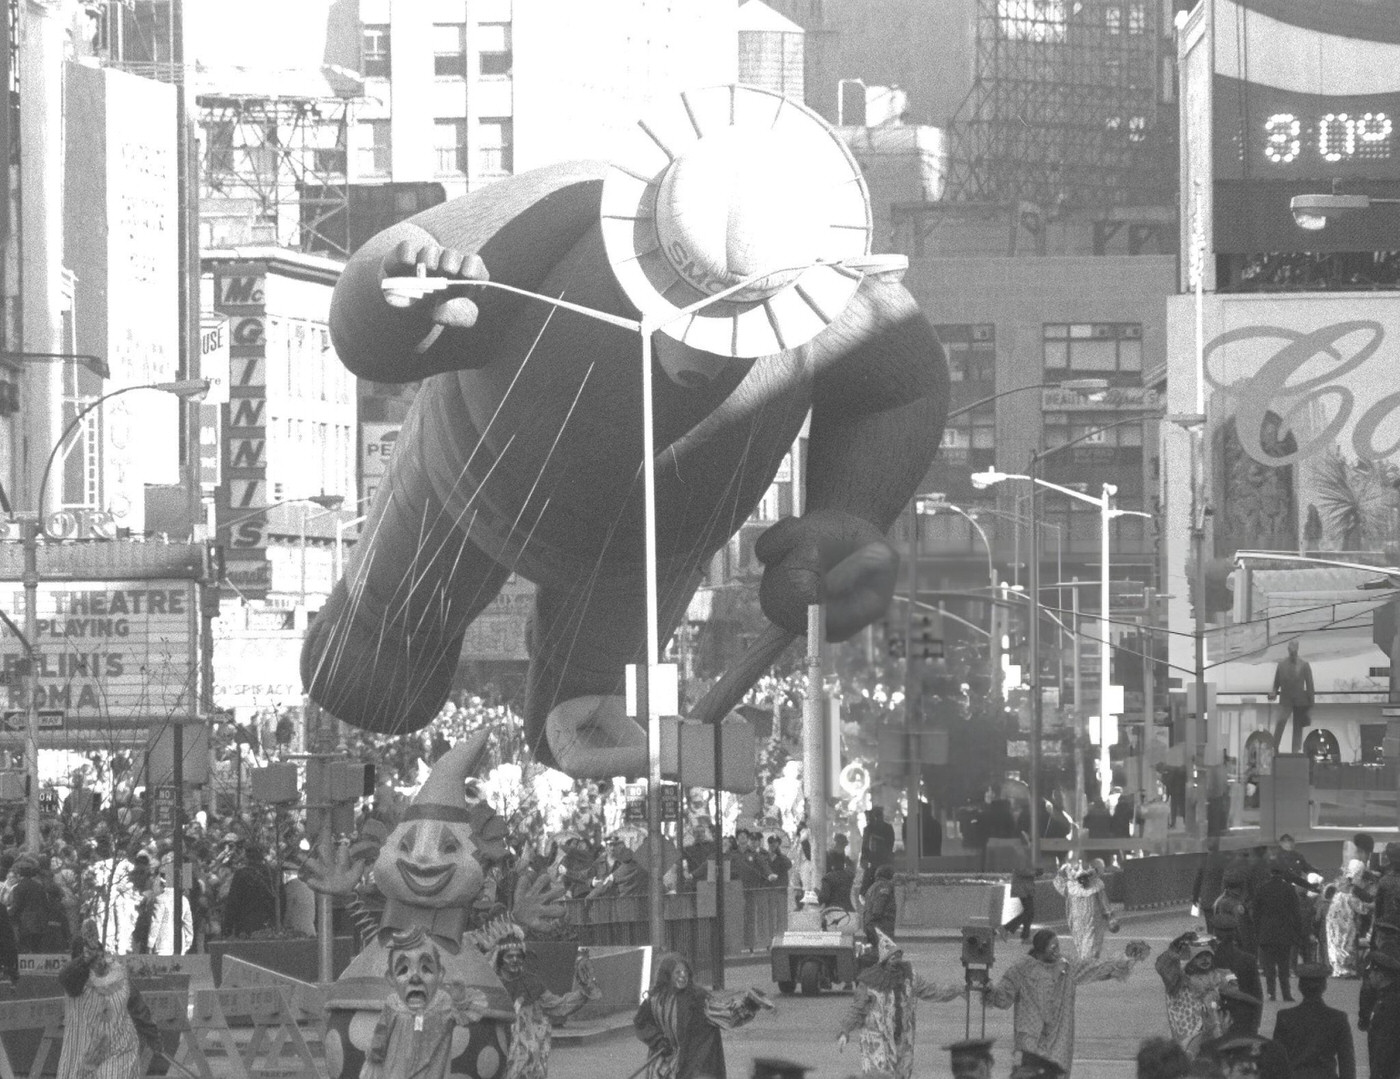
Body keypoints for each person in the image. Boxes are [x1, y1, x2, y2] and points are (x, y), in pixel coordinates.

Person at [981, 929, 1150, 1077]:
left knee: (1056, 1072)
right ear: (1040, 949)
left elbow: (1095, 969)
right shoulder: (1021, 968)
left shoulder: (1066, 965)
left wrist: (1125, 959)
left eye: (1058, 947)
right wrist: (989, 990)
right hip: (1029, 1036)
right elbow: (1003, 998)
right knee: (1029, 1072)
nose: (1057, 951)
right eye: (1052, 948)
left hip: (1059, 1037)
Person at [360, 926, 488, 1079]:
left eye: (426, 969)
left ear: (440, 974)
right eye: (403, 970)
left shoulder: (443, 1004)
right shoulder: (393, 1004)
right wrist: (375, 1056)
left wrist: (460, 999)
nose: (415, 977)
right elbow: (381, 1034)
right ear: (391, 978)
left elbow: (466, 1015)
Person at [836, 929, 962, 1078]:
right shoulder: (870, 982)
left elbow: (932, 991)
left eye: (898, 956)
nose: (895, 961)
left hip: (903, 1040)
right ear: (884, 960)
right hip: (877, 1042)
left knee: (902, 1075)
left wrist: (957, 990)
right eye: (891, 957)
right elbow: (857, 1009)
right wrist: (844, 1031)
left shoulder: (910, 977)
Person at [632, 952, 773, 1079]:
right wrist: (657, 1040)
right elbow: (641, 1023)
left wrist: (749, 1004)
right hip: (662, 1067)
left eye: (685, 972)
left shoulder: (697, 999)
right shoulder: (655, 1000)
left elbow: (726, 1015)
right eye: (677, 972)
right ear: (667, 975)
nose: (683, 976)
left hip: (691, 1067)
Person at [56, 921, 160, 1079]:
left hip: (116, 1052)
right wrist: (85, 960)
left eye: (97, 953)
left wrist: (153, 1035)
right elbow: (66, 977)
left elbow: (136, 1004)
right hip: (84, 1055)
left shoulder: (115, 972)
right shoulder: (75, 979)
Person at [492, 930, 600, 1079]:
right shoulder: (492, 984)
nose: (515, 960)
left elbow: (558, 1006)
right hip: (498, 1048)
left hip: (529, 1057)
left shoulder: (532, 982)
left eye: (518, 956)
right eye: (509, 956)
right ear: (500, 959)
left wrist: (584, 992)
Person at [1157, 932, 1238, 1056]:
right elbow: (1164, 967)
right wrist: (1175, 946)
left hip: (1216, 1033)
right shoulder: (1181, 980)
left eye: (1207, 955)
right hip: (1190, 1036)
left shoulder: (1220, 975)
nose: (1205, 959)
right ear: (1191, 958)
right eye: (1199, 956)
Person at [1271, 963, 1356, 1079]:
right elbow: (1347, 1062)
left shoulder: (1285, 1017)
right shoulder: (1338, 1018)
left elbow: (1276, 1061)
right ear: (1324, 987)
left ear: (1300, 987)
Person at [1255, 861, 1306, 1001]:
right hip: (1284, 932)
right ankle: (1286, 993)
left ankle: (1271, 993)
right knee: (1284, 965)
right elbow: (1296, 913)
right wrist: (1298, 932)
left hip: (1266, 933)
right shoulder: (1289, 889)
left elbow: (1256, 913)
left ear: (1270, 873)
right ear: (1282, 873)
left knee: (1269, 966)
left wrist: (1257, 932)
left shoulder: (1262, 889)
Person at [1358, 920, 1400, 1079]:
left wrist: (1363, 1017)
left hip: (1381, 1009)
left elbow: (1367, 990)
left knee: (1379, 1054)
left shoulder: (1376, 958)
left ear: (1379, 937)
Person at [1054, 861, 1118, 960]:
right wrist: (1062, 870)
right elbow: (1058, 882)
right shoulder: (1070, 887)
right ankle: (1088, 967)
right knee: (1082, 949)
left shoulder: (1096, 886)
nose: (1083, 880)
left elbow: (1104, 903)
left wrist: (1110, 918)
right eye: (1080, 878)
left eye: (1085, 877)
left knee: (1091, 951)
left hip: (1093, 923)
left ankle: (1088, 965)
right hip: (1077, 924)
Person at [222, 844, 278, 937]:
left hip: (246, 924)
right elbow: (280, 899)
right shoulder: (272, 873)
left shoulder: (242, 874)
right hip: (269, 924)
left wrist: (227, 927)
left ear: (247, 857)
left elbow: (233, 901)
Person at [1270, 639, 1315, 754]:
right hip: (1286, 701)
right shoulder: (1281, 665)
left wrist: (1311, 706)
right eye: (1291, 649)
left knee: (1297, 729)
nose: (1292, 651)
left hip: (1300, 702)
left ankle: (1295, 752)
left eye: (1294, 649)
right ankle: (1274, 747)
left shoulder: (1304, 665)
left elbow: (1310, 686)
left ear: (1298, 649)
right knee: (1280, 723)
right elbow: (1276, 683)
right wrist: (1274, 692)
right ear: (1288, 649)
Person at [1211, 910, 1264, 1005]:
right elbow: (1257, 997)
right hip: (1242, 1009)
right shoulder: (1248, 959)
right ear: (1235, 933)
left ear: (1214, 933)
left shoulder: (1207, 959)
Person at [8, 854, 51, 953]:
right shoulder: (39, 886)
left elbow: (17, 906)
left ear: (19, 875)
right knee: (37, 950)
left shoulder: (19, 888)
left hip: (26, 924)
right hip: (41, 923)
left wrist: (7, 914)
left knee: (26, 950)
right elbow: (46, 904)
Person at [1002, 841, 1040, 943]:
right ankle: (1006, 928)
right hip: (1022, 887)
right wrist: (1034, 872)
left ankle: (1025, 936)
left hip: (1026, 887)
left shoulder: (1027, 854)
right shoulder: (1021, 854)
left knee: (1030, 912)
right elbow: (1021, 870)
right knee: (1029, 911)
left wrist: (1037, 870)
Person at [858, 808, 895, 897]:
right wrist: (864, 858)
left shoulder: (887, 828)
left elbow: (890, 844)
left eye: (879, 816)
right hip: (873, 862)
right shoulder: (868, 829)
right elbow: (865, 846)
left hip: (883, 861)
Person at [861, 864, 897, 947]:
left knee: (874, 950)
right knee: (886, 950)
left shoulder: (873, 886)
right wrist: (876, 918)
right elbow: (879, 904)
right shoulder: (884, 886)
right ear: (889, 875)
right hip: (881, 925)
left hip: (870, 924)